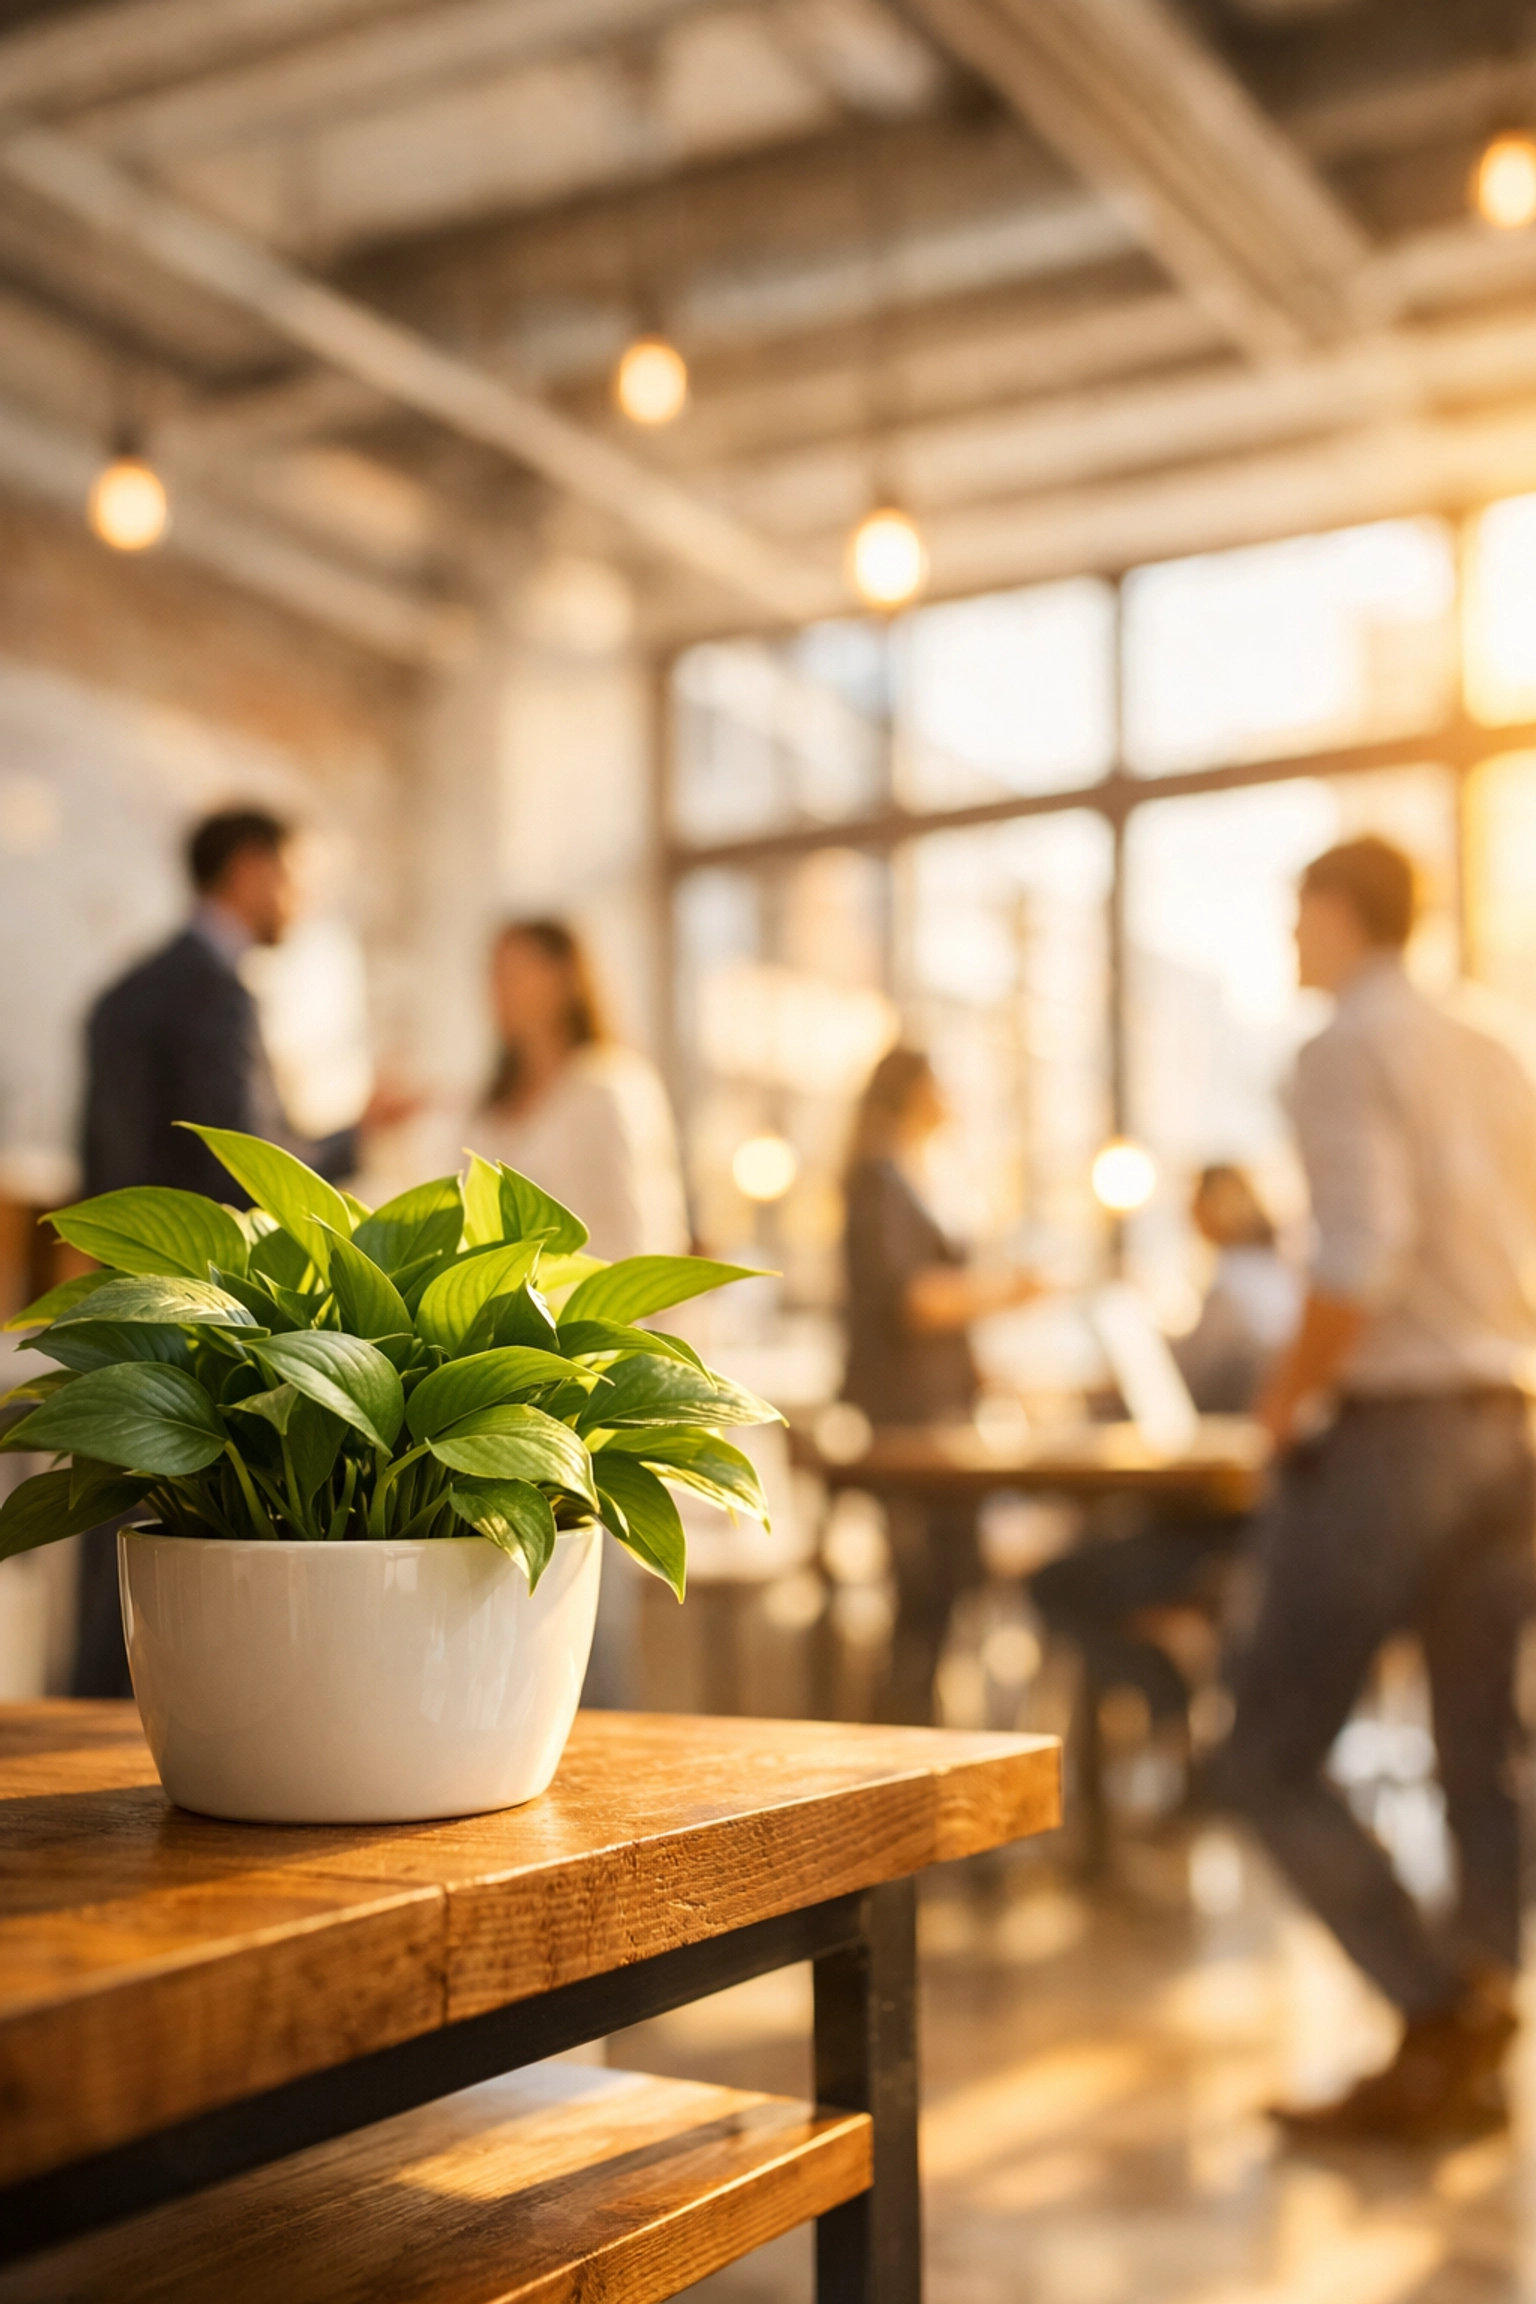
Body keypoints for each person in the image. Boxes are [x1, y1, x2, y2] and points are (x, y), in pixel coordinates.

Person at [1216, 835, 1536, 2141]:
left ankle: (1436, 2005)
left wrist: (1283, 1401)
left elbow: (1363, 1250)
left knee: (1263, 1754)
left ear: (1342, 913)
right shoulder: (1496, 1043)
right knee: (1480, 1752)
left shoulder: (1343, 1046)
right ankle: (1473, 2023)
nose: (1291, 940)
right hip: (1508, 1423)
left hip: (1399, 1436)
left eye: (1298, 915)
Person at [72, 809, 372, 1697]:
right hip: (195, 1314)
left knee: (112, 1544)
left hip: (117, 1303)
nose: (300, 899)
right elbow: (245, 1166)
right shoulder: (217, 993)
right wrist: (356, 1136)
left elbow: (106, 1166)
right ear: (249, 868)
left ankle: (90, 1728)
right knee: (182, 1553)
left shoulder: (121, 994)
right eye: (294, 876)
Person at [1031, 1164, 1299, 1732]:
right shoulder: (1279, 1284)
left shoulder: (1235, 1295)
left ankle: (1169, 1701)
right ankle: (1176, 1725)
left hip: (1220, 1530)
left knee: (1055, 1583)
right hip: (1273, 1523)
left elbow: (1185, 1398)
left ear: (1215, 1211)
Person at [842, 1046, 1038, 1722]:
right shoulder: (879, 1179)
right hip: (906, 1418)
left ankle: (922, 1719)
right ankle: (902, 1725)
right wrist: (1003, 1292)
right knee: (924, 1585)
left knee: (949, 1579)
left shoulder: (919, 1174)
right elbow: (908, 1298)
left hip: (940, 1408)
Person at [469, 918, 688, 1264]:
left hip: (590, 1291)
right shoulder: (492, 1103)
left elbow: (639, 1228)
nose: (497, 988)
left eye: (513, 972)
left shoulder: (609, 1087)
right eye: (493, 973)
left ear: (563, 979)